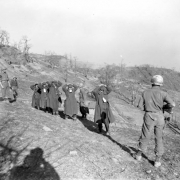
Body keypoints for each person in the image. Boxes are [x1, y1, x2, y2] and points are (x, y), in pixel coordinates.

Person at [135, 75, 175, 168]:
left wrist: (148, 107)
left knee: (145, 135)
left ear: (152, 82)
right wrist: (163, 107)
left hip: (149, 115)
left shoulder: (145, 92)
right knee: (159, 138)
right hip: (160, 116)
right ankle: (157, 161)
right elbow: (172, 104)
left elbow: (140, 106)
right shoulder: (163, 93)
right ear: (161, 84)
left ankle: (138, 155)